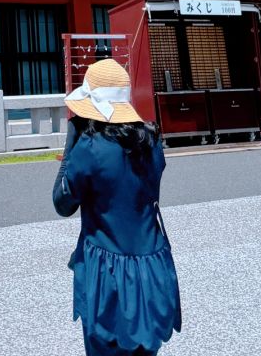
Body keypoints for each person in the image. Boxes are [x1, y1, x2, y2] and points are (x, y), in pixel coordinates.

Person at [53, 58, 181, 356]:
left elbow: (62, 203)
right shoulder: (151, 141)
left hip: (106, 268)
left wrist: (71, 144)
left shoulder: (90, 148)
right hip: (151, 264)